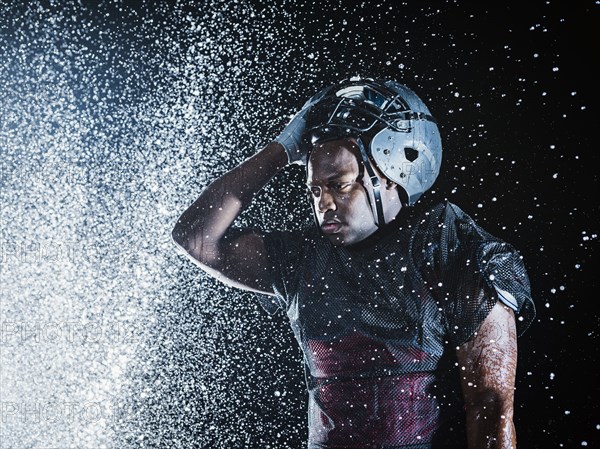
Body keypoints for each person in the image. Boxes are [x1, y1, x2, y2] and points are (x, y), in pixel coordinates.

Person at [171, 77, 536, 449]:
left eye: (339, 184)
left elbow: (489, 406)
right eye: (315, 189)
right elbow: (197, 237)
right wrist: (281, 150)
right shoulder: (303, 257)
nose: (323, 203)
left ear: (393, 175)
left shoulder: (446, 246)